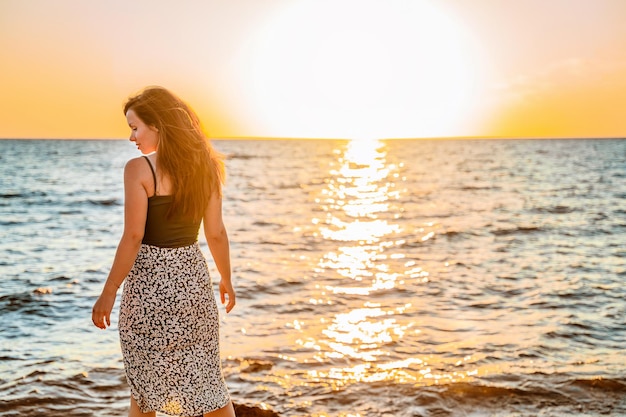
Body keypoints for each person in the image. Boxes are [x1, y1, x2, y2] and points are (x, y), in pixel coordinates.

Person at [91, 86, 236, 417]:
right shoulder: (207, 168)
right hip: (193, 287)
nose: (132, 137)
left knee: (145, 388)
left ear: (156, 125)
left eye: (134, 127)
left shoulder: (139, 169)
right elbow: (215, 232)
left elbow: (133, 236)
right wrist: (226, 279)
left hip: (148, 290)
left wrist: (109, 291)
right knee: (210, 385)